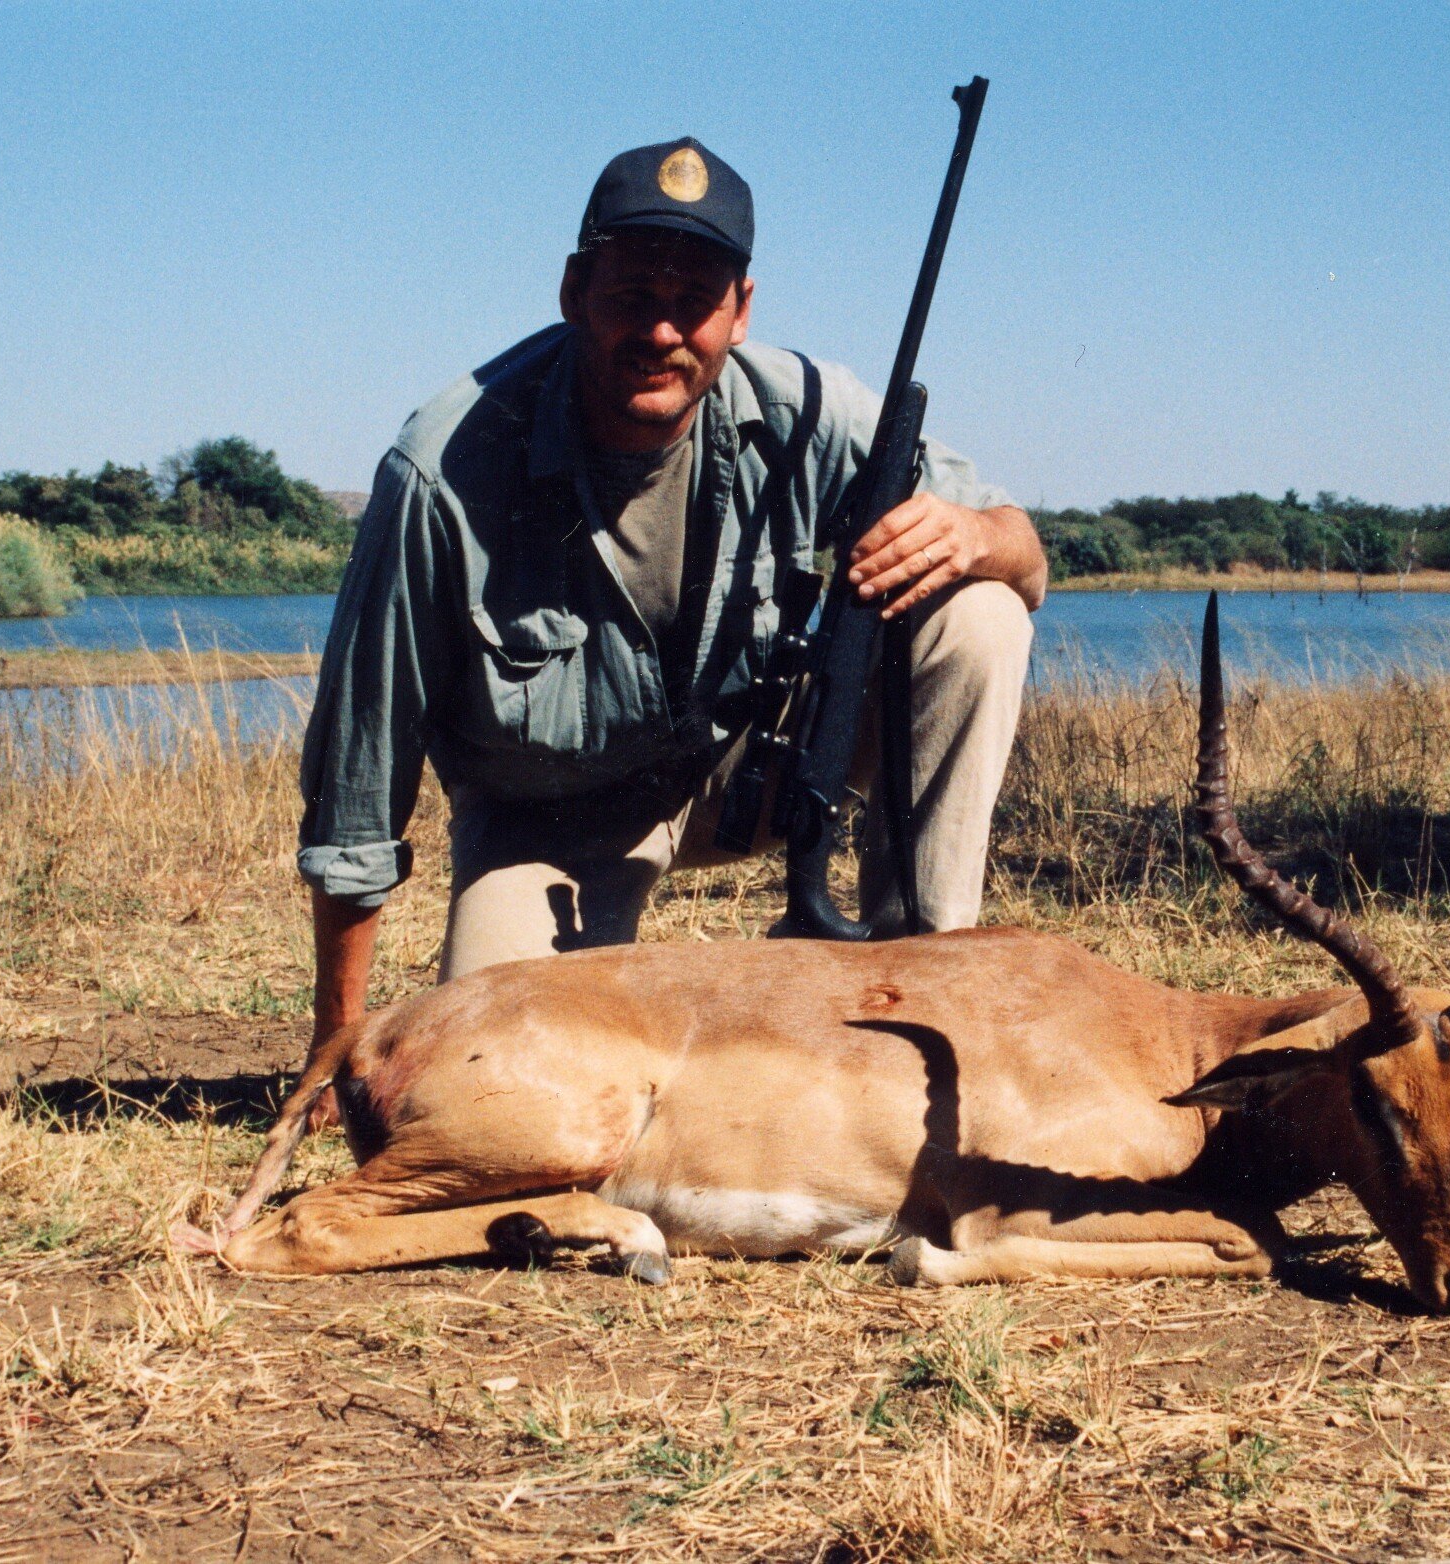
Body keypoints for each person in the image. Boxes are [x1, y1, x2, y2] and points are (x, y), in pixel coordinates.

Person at [295, 135, 1047, 1084]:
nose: (661, 333)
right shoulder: (443, 465)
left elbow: (1023, 551)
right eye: (630, 297)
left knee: (978, 613)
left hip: (747, 773)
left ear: (740, 310)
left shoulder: (811, 406)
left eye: (693, 302)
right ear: (574, 291)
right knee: (490, 1077)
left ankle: (929, 995)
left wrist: (979, 538)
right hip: (550, 820)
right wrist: (334, 1041)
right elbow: (362, 772)